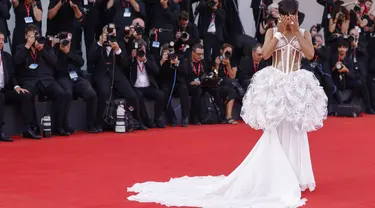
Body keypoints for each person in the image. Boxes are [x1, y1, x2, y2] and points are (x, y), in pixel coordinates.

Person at [127, 0, 328, 207]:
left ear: (296, 14)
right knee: (275, 131)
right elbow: (266, 54)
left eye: (292, 15)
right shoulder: (271, 32)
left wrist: (295, 32)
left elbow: (310, 54)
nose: (289, 19)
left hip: (295, 84)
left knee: (295, 130)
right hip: (277, 83)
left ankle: (295, 174)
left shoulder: (302, 33)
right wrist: (278, 32)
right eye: (286, 16)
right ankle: (276, 174)